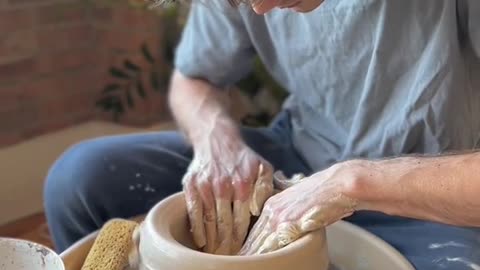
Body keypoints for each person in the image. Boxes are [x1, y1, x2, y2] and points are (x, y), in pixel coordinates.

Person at [44, 0, 480, 268]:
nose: (258, 7)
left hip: (435, 189)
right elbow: (193, 78)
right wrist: (217, 141)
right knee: (81, 177)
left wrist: (351, 183)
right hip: (300, 150)